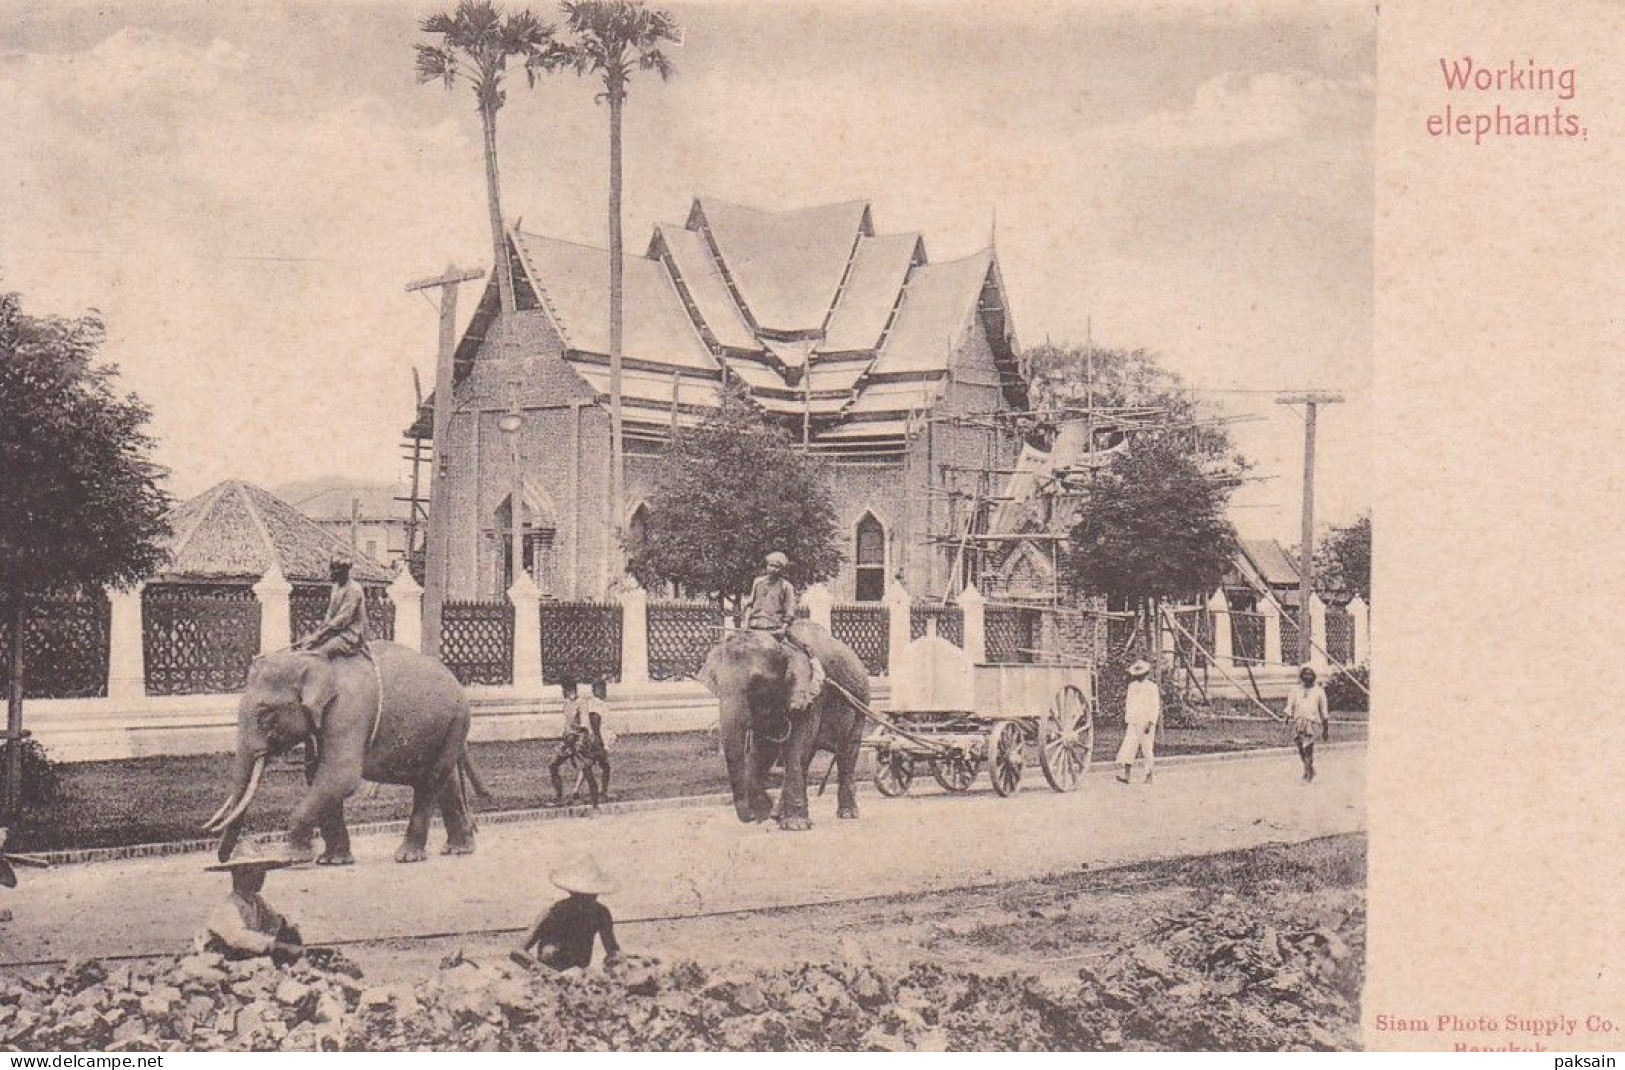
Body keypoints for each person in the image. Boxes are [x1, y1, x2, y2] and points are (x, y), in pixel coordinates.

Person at [741, 551, 822, 713]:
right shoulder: (758, 582)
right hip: (755, 627)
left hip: (775, 628)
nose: (772, 569)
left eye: (776, 566)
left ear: (782, 570)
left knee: (798, 655)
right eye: (770, 565)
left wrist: (783, 627)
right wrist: (746, 623)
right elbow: (751, 604)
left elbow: (789, 610)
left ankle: (800, 693)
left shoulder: (786, 587)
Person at [512, 854, 622, 971]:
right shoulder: (553, 912)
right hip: (548, 974)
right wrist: (545, 972)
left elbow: (613, 950)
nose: (588, 900)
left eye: (592, 895)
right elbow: (518, 951)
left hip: (579, 975)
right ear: (572, 892)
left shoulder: (600, 914)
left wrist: (617, 962)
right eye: (582, 896)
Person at [196, 856, 305, 964]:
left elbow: (276, 922)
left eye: (262, 872)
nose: (261, 877)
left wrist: (289, 928)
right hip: (223, 958)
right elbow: (239, 938)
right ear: (239, 875)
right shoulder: (228, 905)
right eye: (256, 872)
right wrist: (277, 945)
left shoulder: (257, 901)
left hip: (245, 953)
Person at [295, 551, 369, 660]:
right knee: (306, 647)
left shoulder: (354, 589)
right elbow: (329, 614)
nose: (332, 574)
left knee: (323, 653)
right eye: (332, 570)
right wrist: (316, 634)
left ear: (345, 572)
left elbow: (342, 619)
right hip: (335, 633)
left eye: (336, 572)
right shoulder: (335, 587)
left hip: (351, 636)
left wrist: (319, 636)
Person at [548, 681, 602, 808]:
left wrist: (579, 743)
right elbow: (568, 724)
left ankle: (595, 804)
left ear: (570, 689)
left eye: (564, 689)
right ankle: (558, 797)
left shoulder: (581, 703)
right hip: (567, 741)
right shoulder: (567, 704)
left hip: (579, 741)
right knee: (553, 765)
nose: (563, 692)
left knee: (587, 771)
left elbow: (584, 725)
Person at [1116, 660, 1160, 785]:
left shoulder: (1152, 687)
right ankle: (1127, 775)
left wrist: (1151, 722)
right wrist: (1128, 720)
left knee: (1147, 749)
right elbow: (1129, 704)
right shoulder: (1132, 686)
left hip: (1146, 721)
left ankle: (1149, 775)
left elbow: (1155, 706)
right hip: (1134, 721)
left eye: (1142, 674)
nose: (1139, 676)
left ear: (1146, 673)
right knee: (1129, 747)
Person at [1286, 664, 1331, 781]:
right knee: (1300, 748)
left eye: (1310, 674)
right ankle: (1310, 768)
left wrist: (1325, 729)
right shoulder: (1295, 690)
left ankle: (1307, 773)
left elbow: (1324, 711)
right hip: (1298, 723)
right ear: (1301, 676)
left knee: (1308, 749)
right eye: (1305, 674)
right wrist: (1286, 717)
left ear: (1314, 677)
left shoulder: (1319, 691)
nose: (1307, 676)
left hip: (1312, 723)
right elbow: (1290, 705)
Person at [585, 679, 613, 801]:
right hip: (597, 741)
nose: (604, 692)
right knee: (604, 767)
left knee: (589, 767)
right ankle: (601, 792)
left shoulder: (599, 704)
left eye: (604, 689)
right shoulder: (595, 704)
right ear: (595, 690)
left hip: (596, 739)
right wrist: (600, 741)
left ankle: (596, 792)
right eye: (602, 689)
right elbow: (595, 721)